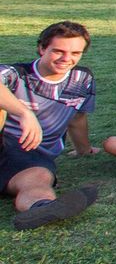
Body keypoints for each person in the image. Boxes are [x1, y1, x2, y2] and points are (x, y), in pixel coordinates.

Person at [0, 22, 98, 229]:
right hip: (4, 143)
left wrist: (84, 149)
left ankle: (42, 208)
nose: (66, 59)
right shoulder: (15, 74)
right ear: (42, 48)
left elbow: (77, 118)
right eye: (58, 51)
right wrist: (23, 112)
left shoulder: (82, 79)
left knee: (39, 178)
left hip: (28, 157)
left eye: (75, 53)